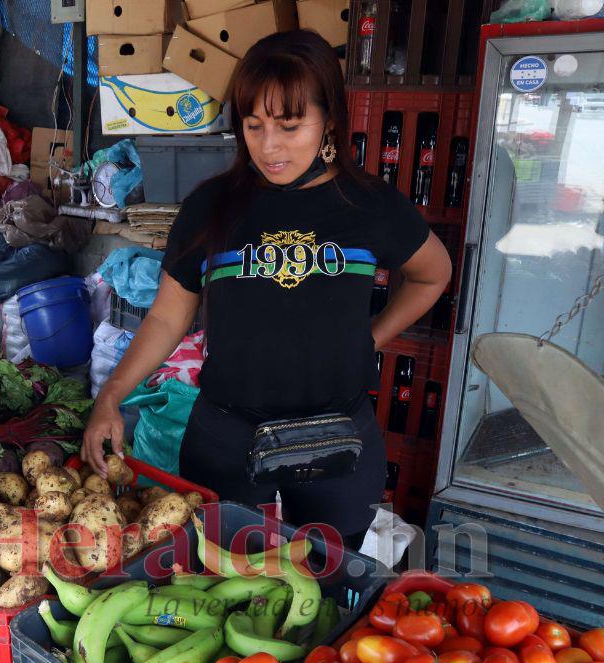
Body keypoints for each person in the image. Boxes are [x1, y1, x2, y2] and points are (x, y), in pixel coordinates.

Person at [82, 30, 452, 547]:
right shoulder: (211, 207)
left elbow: (433, 273)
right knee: (222, 572)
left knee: (324, 580)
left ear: (329, 121)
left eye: (290, 125)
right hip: (227, 433)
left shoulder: (370, 206)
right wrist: (112, 395)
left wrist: (372, 336)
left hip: (336, 435)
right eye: (254, 126)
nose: (269, 147)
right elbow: (168, 317)